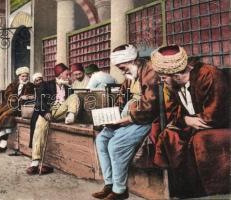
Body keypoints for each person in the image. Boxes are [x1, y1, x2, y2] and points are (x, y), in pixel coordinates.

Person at [151, 45, 229, 196]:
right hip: (195, 124)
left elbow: (215, 113)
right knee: (168, 135)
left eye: (163, 78)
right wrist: (186, 120)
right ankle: (182, 191)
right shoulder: (173, 86)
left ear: (175, 74)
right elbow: (172, 114)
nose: (162, 82)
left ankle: (209, 192)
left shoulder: (208, 75)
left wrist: (191, 121)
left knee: (198, 139)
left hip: (219, 124)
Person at [92, 44, 159, 200]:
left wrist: (127, 119)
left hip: (144, 118)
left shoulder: (150, 71)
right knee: (101, 139)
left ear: (133, 60)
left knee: (116, 145)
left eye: (122, 67)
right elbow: (122, 98)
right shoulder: (131, 74)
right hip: (127, 116)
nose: (122, 72)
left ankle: (120, 190)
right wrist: (110, 117)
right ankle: (109, 184)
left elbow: (151, 106)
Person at [26, 63, 80, 175]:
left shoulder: (68, 88)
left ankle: (71, 116)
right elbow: (39, 101)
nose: (69, 76)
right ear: (60, 75)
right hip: (47, 111)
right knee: (39, 128)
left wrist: (70, 110)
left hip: (61, 112)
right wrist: (45, 112)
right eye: (67, 74)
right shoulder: (46, 85)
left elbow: (72, 101)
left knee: (74, 97)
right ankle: (35, 162)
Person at [0, 66, 35, 153]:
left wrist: (27, 97)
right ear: (19, 77)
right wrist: (13, 98)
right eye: (23, 76)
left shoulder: (31, 86)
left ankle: (3, 142)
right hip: (9, 104)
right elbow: (7, 94)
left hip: (21, 107)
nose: (25, 78)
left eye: (26, 76)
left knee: (6, 116)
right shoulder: (13, 85)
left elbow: (33, 96)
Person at [29, 72, 44, 148]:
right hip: (38, 109)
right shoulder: (34, 89)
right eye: (37, 81)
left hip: (45, 109)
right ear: (34, 82)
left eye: (40, 80)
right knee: (33, 123)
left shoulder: (46, 87)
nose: (39, 82)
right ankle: (33, 144)